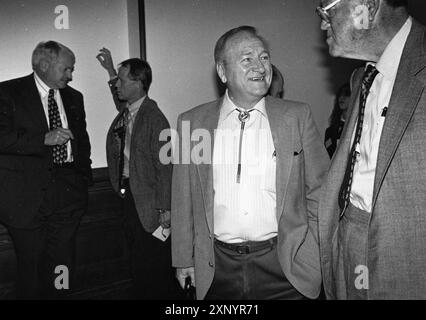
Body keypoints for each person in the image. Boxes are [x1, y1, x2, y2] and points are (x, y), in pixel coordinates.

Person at [171, 26, 329, 300]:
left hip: (286, 268)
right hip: (217, 269)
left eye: (264, 57)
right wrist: (184, 259)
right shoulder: (192, 123)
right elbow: (183, 199)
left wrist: (311, 254)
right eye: (247, 59)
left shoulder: (296, 117)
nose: (260, 66)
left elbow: (321, 191)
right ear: (222, 72)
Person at [317, 0, 426, 299]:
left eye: (326, 10)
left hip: (407, 259)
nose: (324, 23)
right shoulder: (360, 79)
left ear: (366, 6)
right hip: (347, 241)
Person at [0, 41, 92, 299]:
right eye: (66, 69)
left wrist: (82, 180)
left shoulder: (75, 97)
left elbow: (82, 142)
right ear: (44, 65)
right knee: (31, 270)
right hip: (25, 201)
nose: (70, 76)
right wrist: (44, 138)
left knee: (63, 265)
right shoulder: (7, 92)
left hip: (67, 197)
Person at [97, 49, 181, 299]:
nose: (118, 86)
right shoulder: (129, 112)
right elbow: (118, 100)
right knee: (139, 262)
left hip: (152, 206)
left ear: (138, 83)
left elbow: (166, 165)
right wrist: (111, 70)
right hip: (131, 199)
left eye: (123, 80)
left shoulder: (155, 118)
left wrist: (166, 207)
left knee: (154, 265)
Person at [324, 82, 351, 157]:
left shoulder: (357, 128)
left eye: (347, 94)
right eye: (340, 95)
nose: (342, 97)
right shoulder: (330, 131)